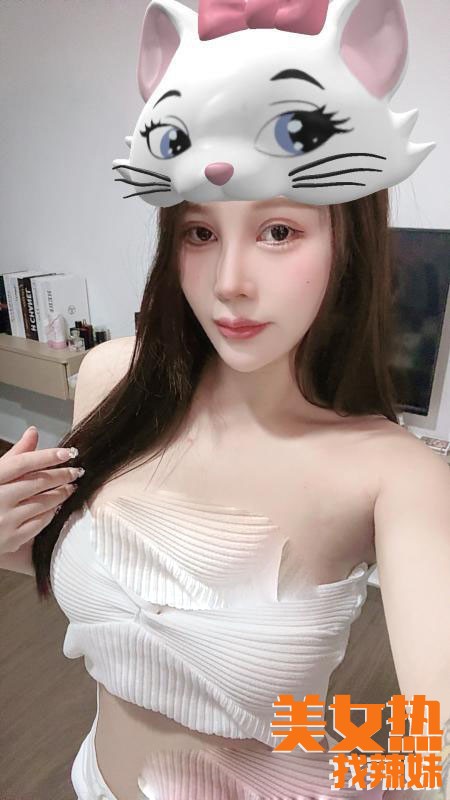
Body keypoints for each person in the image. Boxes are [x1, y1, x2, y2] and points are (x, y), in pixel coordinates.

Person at [1, 0, 449, 798]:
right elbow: (103, 592)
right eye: (200, 233)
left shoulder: (394, 476)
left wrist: (350, 768)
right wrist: (15, 539)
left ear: (347, 240)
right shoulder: (110, 377)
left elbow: (434, 744)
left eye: (279, 231)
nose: (229, 283)